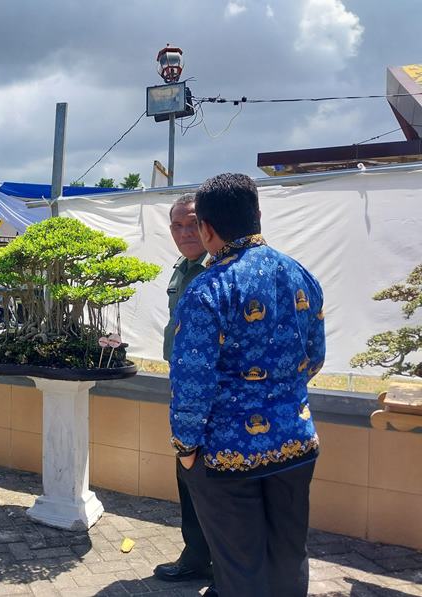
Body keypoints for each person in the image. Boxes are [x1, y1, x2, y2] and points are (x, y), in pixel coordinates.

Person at [169, 173, 325, 597]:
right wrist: (277, 395)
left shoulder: (207, 290)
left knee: (241, 571)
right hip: (295, 443)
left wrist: (185, 450)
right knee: (289, 559)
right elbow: (314, 357)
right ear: (257, 215)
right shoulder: (301, 276)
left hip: (227, 456)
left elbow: (191, 383)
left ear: (205, 228)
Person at [154, 194, 214, 589]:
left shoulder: (221, 269)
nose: (184, 232)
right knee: (188, 478)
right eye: (177, 225)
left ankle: (221, 566)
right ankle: (195, 556)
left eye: (192, 223)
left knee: (212, 483)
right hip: (183, 390)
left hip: (213, 397)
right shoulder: (184, 268)